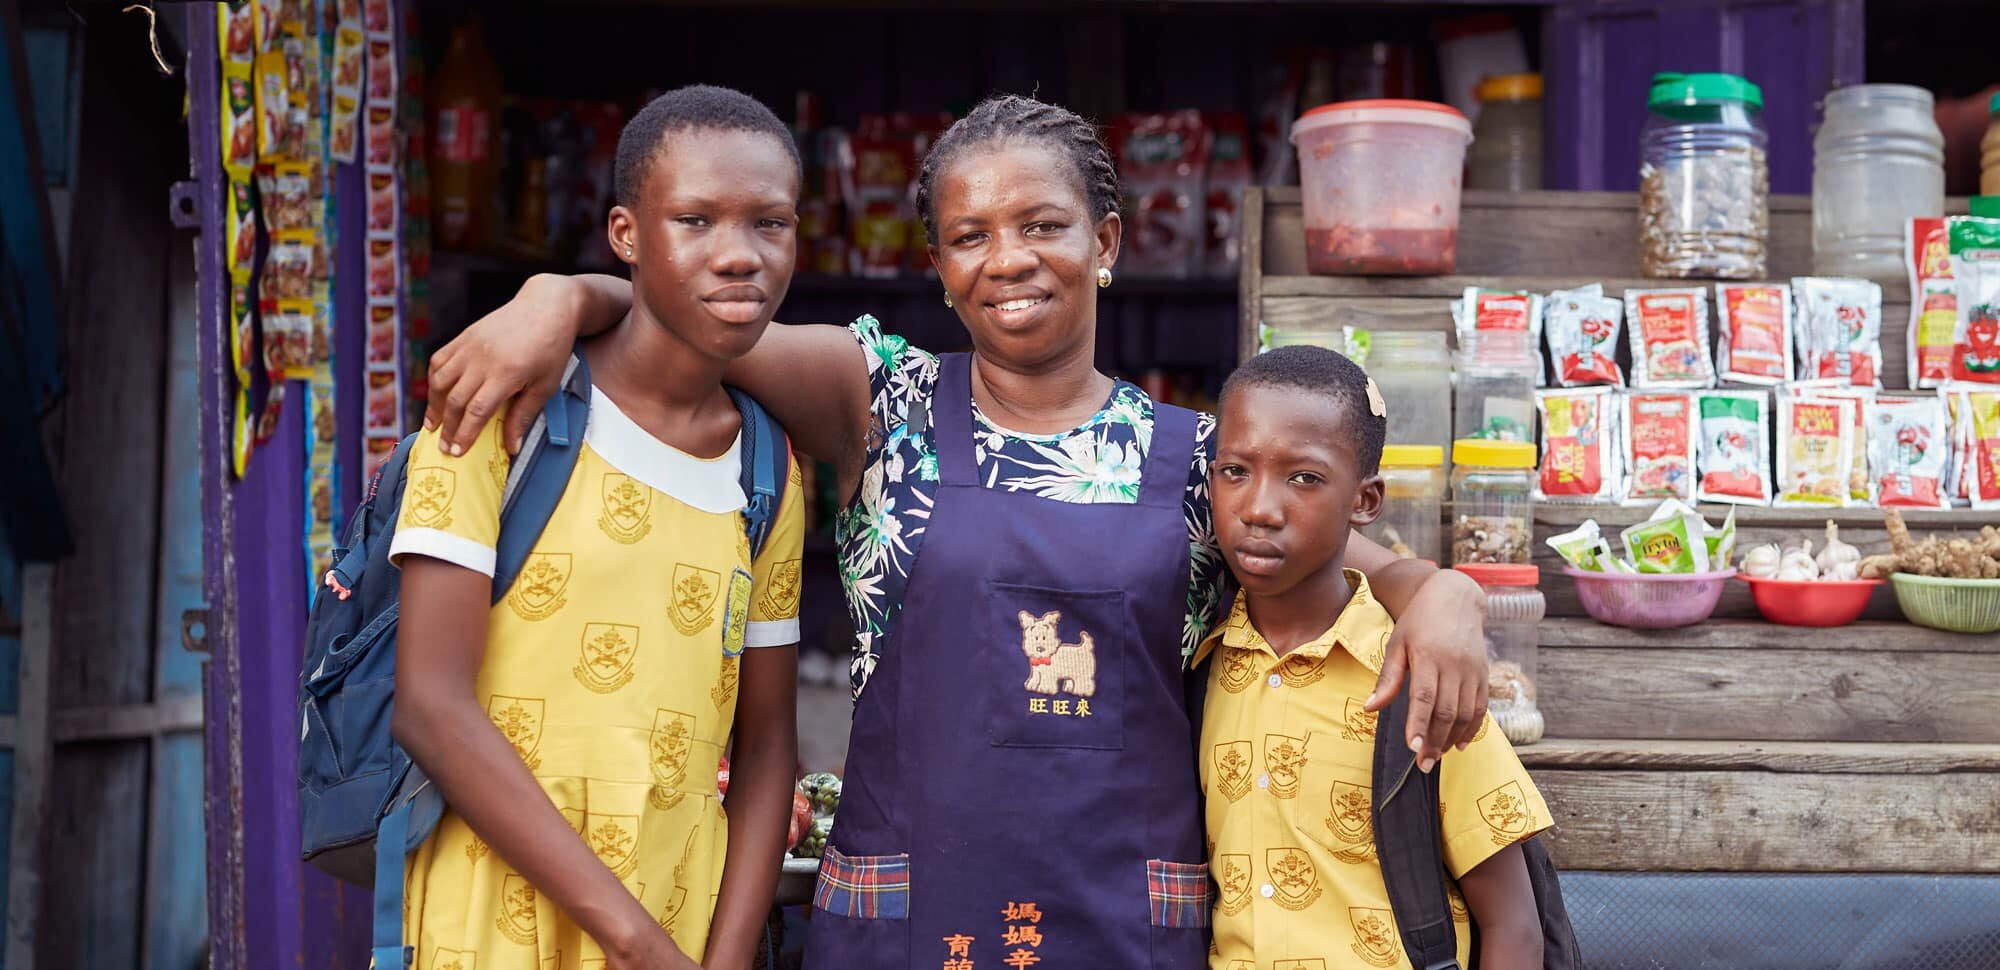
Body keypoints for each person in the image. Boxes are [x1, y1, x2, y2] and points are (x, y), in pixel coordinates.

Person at [423, 94, 1490, 968]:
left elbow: (1355, 559)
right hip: (905, 916)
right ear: (936, 265)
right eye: (970, 237)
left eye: (1041, 226)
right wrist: (557, 295)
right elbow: (695, 306)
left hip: (1118, 924)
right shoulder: (875, 395)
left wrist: (1438, 592)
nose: (1008, 259)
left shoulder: (1196, 462)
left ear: (1104, 240)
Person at [388, 86, 806, 970]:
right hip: (492, 922)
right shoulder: (504, 413)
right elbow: (430, 706)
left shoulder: (766, 469)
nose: (739, 256)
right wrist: (636, 946)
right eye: (695, 220)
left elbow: (768, 752)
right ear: (626, 236)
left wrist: (719, 961)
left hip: (684, 924)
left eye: (770, 224)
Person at [1199, 345, 1549, 970]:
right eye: (1235, 471)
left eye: (1303, 477)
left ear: (1364, 502)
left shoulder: (1421, 680)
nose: (1259, 508)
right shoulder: (1203, 670)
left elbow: (1515, 928)